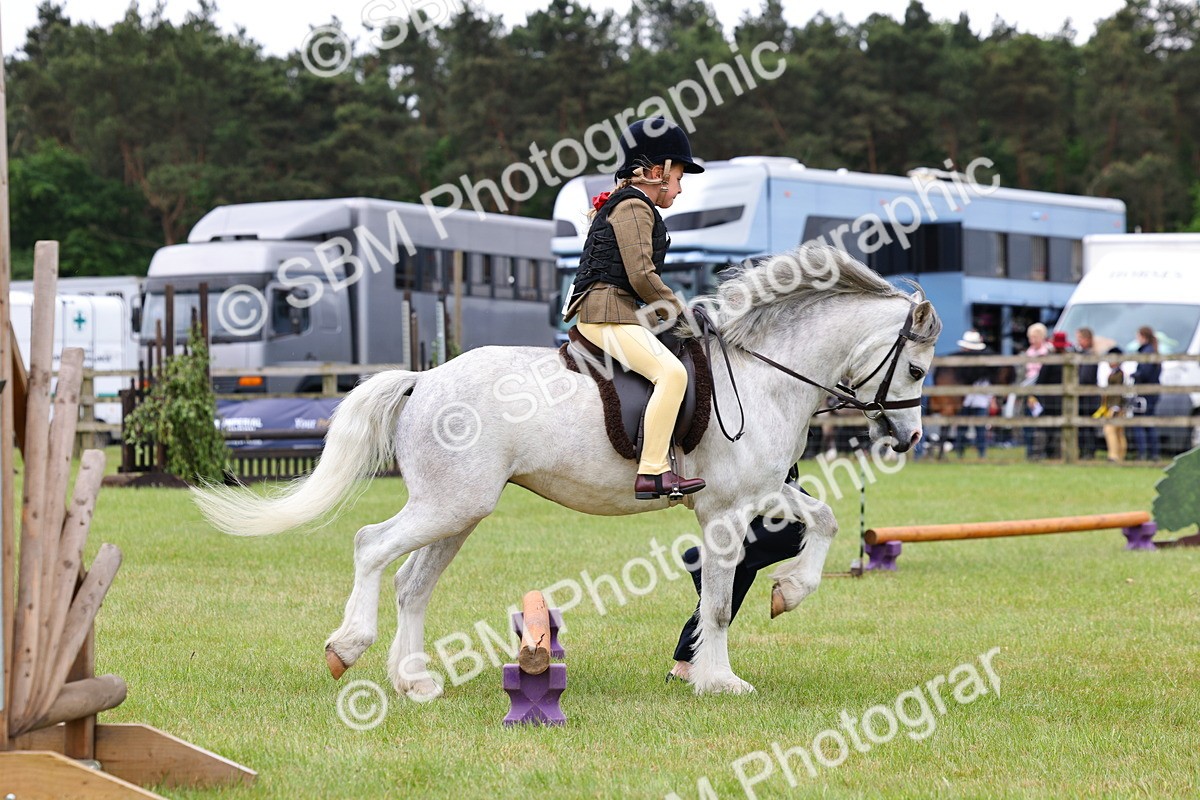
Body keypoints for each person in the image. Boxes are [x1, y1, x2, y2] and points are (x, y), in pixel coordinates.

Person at [562, 117, 707, 499]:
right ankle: (654, 470)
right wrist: (681, 311)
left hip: (614, 310)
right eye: (678, 178)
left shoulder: (629, 204)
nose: (678, 188)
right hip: (607, 313)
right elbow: (642, 275)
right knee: (672, 375)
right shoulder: (634, 206)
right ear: (657, 172)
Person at [668, 467, 806, 683]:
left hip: (768, 468)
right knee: (804, 525)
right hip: (759, 467)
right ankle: (706, 560)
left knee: (739, 569)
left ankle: (687, 661)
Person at [1029, 330, 1072, 459]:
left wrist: (1037, 396)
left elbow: (1040, 381)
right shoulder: (1069, 361)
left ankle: (1039, 454)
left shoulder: (1049, 360)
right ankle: (1058, 454)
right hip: (1065, 401)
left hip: (1048, 400)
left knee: (1044, 428)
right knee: (1061, 429)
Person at [953, 330, 993, 457]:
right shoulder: (960, 363)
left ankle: (982, 454)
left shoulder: (984, 363)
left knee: (980, 429)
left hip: (980, 399)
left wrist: (990, 398)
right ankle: (960, 453)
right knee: (961, 429)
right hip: (964, 399)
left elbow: (989, 382)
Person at [1129, 325, 1161, 461]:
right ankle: (1153, 453)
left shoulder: (1147, 352)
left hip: (1145, 393)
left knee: (1140, 423)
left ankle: (1143, 453)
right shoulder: (1153, 351)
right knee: (1149, 423)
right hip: (1152, 393)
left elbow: (1145, 373)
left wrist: (1134, 375)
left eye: (1138, 336)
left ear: (1143, 337)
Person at [1022, 323, 1051, 459]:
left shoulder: (1047, 352)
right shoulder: (1029, 352)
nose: (1031, 340)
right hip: (1029, 389)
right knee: (1028, 422)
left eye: (1034, 337)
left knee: (1042, 423)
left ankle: (1042, 451)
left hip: (1042, 390)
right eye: (1030, 337)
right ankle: (1030, 451)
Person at [1098, 347, 1129, 462]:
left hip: (1116, 407)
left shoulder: (1119, 374)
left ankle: (1113, 455)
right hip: (1117, 406)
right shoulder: (1117, 373)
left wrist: (1115, 407)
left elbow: (1118, 393)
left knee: (1109, 430)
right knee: (1119, 431)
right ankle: (1120, 455)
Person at [1075, 327, 1101, 459]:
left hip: (1087, 397)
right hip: (1087, 396)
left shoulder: (1089, 356)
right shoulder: (1086, 354)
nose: (1078, 341)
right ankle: (1085, 451)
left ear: (1086, 339)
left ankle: (1088, 452)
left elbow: (1085, 378)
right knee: (1085, 427)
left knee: (1086, 426)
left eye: (1079, 338)